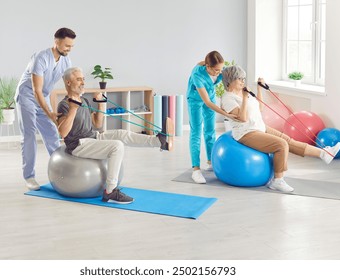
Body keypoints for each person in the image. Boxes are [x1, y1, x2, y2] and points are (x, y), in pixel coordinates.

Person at [57, 67, 173, 204]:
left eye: (83, 79)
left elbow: (98, 124)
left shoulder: (85, 101)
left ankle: (159, 142)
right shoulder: (63, 105)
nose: (83, 82)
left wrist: (100, 104)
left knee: (121, 134)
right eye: (78, 79)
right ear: (68, 83)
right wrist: (72, 109)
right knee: (116, 146)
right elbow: (63, 132)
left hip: (92, 136)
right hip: (78, 145)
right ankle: (110, 191)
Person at [220, 65, 340, 193]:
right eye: (239, 79)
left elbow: (260, 108)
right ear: (230, 80)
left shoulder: (243, 92)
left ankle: (324, 154)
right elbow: (242, 118)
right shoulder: (228, 98)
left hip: (259, 127)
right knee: (281, 145)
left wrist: (259, 89)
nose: (242, 81)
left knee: (288, 140)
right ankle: (277, 181)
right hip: (246, 133)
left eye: (243, 78)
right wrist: (245, 98)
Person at [15, 27, 76, 191]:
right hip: (27, 95)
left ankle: (61, 170)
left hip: (43, 96)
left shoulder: (66, 61)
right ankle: (29, 176)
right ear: (56, 42)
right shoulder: (41, 58)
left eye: (71, 46)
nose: (69, 49)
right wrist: (49, 112)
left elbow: (69, 85)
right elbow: (36, 90)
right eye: (66, 46)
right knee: (29, 133)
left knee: (51, 133)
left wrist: (74, 100)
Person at [186, 50, 236, 184]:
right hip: (195, 100)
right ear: (207, 67)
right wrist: (226, 114)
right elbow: (206, 102)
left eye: (221, 69)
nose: (219, 73)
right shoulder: (197, 74)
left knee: (210, 131)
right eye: (216, 70)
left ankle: (211, 161)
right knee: (196, 132)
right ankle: (195, 169)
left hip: (211, 96)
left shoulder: (219, 69)